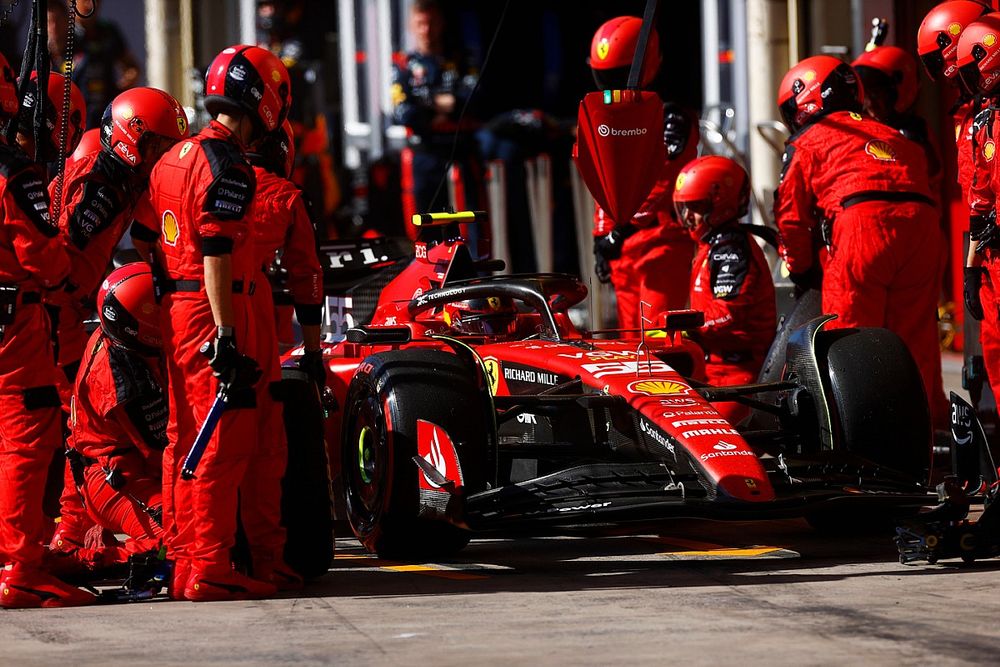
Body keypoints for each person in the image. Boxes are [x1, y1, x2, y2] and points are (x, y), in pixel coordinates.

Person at [146, 44, 290, 601]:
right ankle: (208, 567)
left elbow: (146, 240)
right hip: (212, 309)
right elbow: (216, 254)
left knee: (184, 438)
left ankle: (184, 560)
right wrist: (227, 338)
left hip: (176, 309)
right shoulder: (227, 164)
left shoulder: (171, 158)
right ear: (263, 100)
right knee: (222, 441)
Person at [46, 87, 188, 560]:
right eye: (157, 149)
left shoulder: (120, 179)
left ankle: (74, 532)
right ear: (133, 139)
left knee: (73, 424)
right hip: (51, 313)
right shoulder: (99, 190)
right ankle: (70, 534)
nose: (161, 158)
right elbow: (56, 258)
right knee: (69, 426)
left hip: (63, 310)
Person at [774, 54, 949, 430]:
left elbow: (789, 215)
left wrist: (802, 270)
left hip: (861, 229)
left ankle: (860, 439)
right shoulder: (889, 131)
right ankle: (927, 439)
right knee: (915, 342)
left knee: (849, 343)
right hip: (922, 228)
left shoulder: (807, 140)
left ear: (808, 97)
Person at [0, 56, 93, 608]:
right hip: (14, 326)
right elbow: (44, 262)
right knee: (27, 439)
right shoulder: (15, 173)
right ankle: (19, 567)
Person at [245, 119, 324, 587]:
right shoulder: (284, 195)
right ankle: (256, 554)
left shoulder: (198, 173)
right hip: (246, 313)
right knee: (261, 444)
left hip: (177, 312)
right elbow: (307, 275)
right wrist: (313, 352)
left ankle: (195, 554)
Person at [588, 16, 699, 329]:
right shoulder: (608, 117)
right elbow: (603, 182)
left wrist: (618, 230)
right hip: (623, 251)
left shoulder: (671, 117)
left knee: (657, 343)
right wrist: (601, 238)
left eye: (617, 76)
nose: (611, 87)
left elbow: (661, 180)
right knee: (627, 347)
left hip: (659, 245)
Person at [64, 263, 167, 556]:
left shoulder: (109, 333)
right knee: (177, 538)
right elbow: (163, 454)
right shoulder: (126, 380)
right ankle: (89, 562)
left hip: (100, 468)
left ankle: (75, 534)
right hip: (117, 477)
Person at [673, 156, 775, 425]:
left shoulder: (730, 249)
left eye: (694, 207)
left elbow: (727, 315)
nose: (688, 217)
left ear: (719, 205)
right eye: (684, 208)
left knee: (698, 442)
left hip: (741, 377)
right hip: (710, 370)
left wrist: (682, 326)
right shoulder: (714, 245)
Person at [391, 0, 483, 225]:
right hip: (424, 155)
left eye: (431, 23)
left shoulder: (462, 59)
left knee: (472, 225)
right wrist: (442, 105)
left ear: (441, 24)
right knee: (425, 229)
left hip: (462, 152)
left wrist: (426, 104)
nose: (427, 30)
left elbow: (475, 99)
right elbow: (402, 112)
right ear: (412, 26)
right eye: (421, 24)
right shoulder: (403, 66)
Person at [957, 13, 1000, 404]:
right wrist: (971, 269)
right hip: (993, 262)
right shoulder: (986, 121)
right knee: (996, 360)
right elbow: (980, 201)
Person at [852, 46, 942, 185]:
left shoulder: (914, 135)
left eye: (876, 94)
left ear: (897, 91)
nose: (869, 103)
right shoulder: (861, 129)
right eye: (866, 94)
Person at [48, 0, 142, 129]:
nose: (91, 5)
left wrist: (121, 92)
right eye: (85, 0)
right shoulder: (63, 30)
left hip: (106, 117)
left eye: (96, 0)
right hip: (73, 121)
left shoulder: (108, 31)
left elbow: (132, 67)